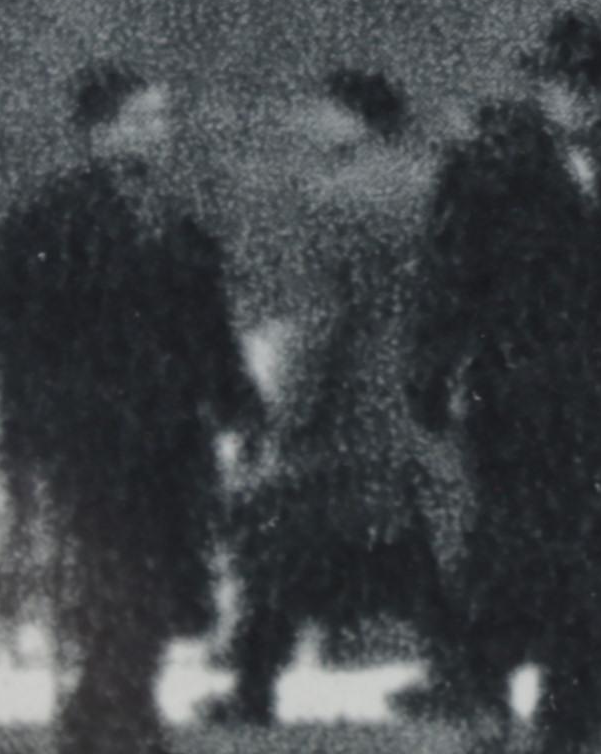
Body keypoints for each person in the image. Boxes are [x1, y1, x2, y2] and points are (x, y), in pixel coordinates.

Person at [414, 12, 601, 752]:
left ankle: (573, 713)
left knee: (600, 557)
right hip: (520, 392)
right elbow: (448, 275)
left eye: (591, 87)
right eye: (566, 85)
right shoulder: (488, 165)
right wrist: (432, 372)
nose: (579, 102)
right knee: (516, 551)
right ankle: (481, 694)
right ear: (542, 85)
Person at [0, 64, 265, 754]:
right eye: (140, 118)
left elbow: (209, 325)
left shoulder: (175, 218)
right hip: (93, 435)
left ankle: (107, 712)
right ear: (97, 130)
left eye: (160, 117)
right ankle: (117, 718)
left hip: (170, 433)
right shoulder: (49, 221)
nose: (156, 132)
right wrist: (25, 432)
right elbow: (15, 341)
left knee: (166, 577)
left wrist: (240, 403)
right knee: (116, 576)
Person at [222, 69, 458, 725]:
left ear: (353, 119)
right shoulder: (434, 185)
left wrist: (289, 409)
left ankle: (252, 684)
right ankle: (462, 673)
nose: (307, 124)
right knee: (418, 543)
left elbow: (322, 318)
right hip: (422, 395)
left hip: (352, 402)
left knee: (284, 544)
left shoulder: (336, 197)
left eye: (319, 111)